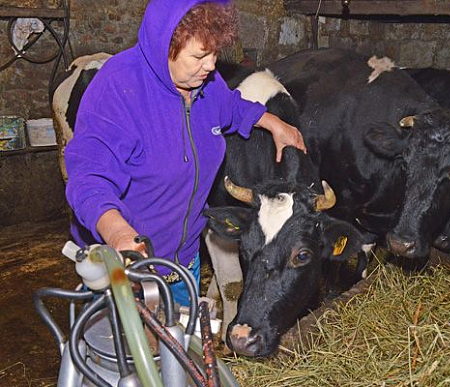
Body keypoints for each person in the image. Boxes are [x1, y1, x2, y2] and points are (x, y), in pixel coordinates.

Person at [64, 0, 306, 305]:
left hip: (184, 262)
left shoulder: (205, 83)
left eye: (215, 53)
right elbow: (88, 179)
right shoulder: (117, 88)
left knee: (181, 348)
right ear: (165, 44)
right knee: (125, 351)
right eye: (200, 56)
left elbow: (229, 106)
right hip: (126, 270)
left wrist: (273, 122)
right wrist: (118, 235)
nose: (211, 65)